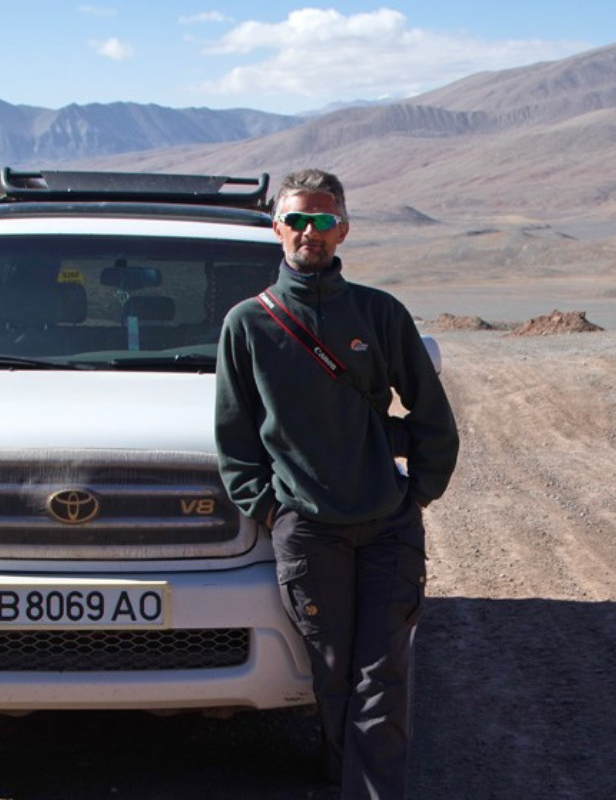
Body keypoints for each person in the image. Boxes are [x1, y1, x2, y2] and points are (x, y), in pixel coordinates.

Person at [214, 168, 459, 799]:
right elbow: (236, 438)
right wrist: (270, 510)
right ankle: (342, 770)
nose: (308, 233)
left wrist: (417, 492)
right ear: (277, 229)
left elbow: (432, 414)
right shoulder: (248, 325)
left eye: (322, 220)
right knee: (331, 676)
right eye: (296, 220)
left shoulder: (378, 313)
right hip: (307, 530)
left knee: (383, 676)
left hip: (386, 524)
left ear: (343, 228)